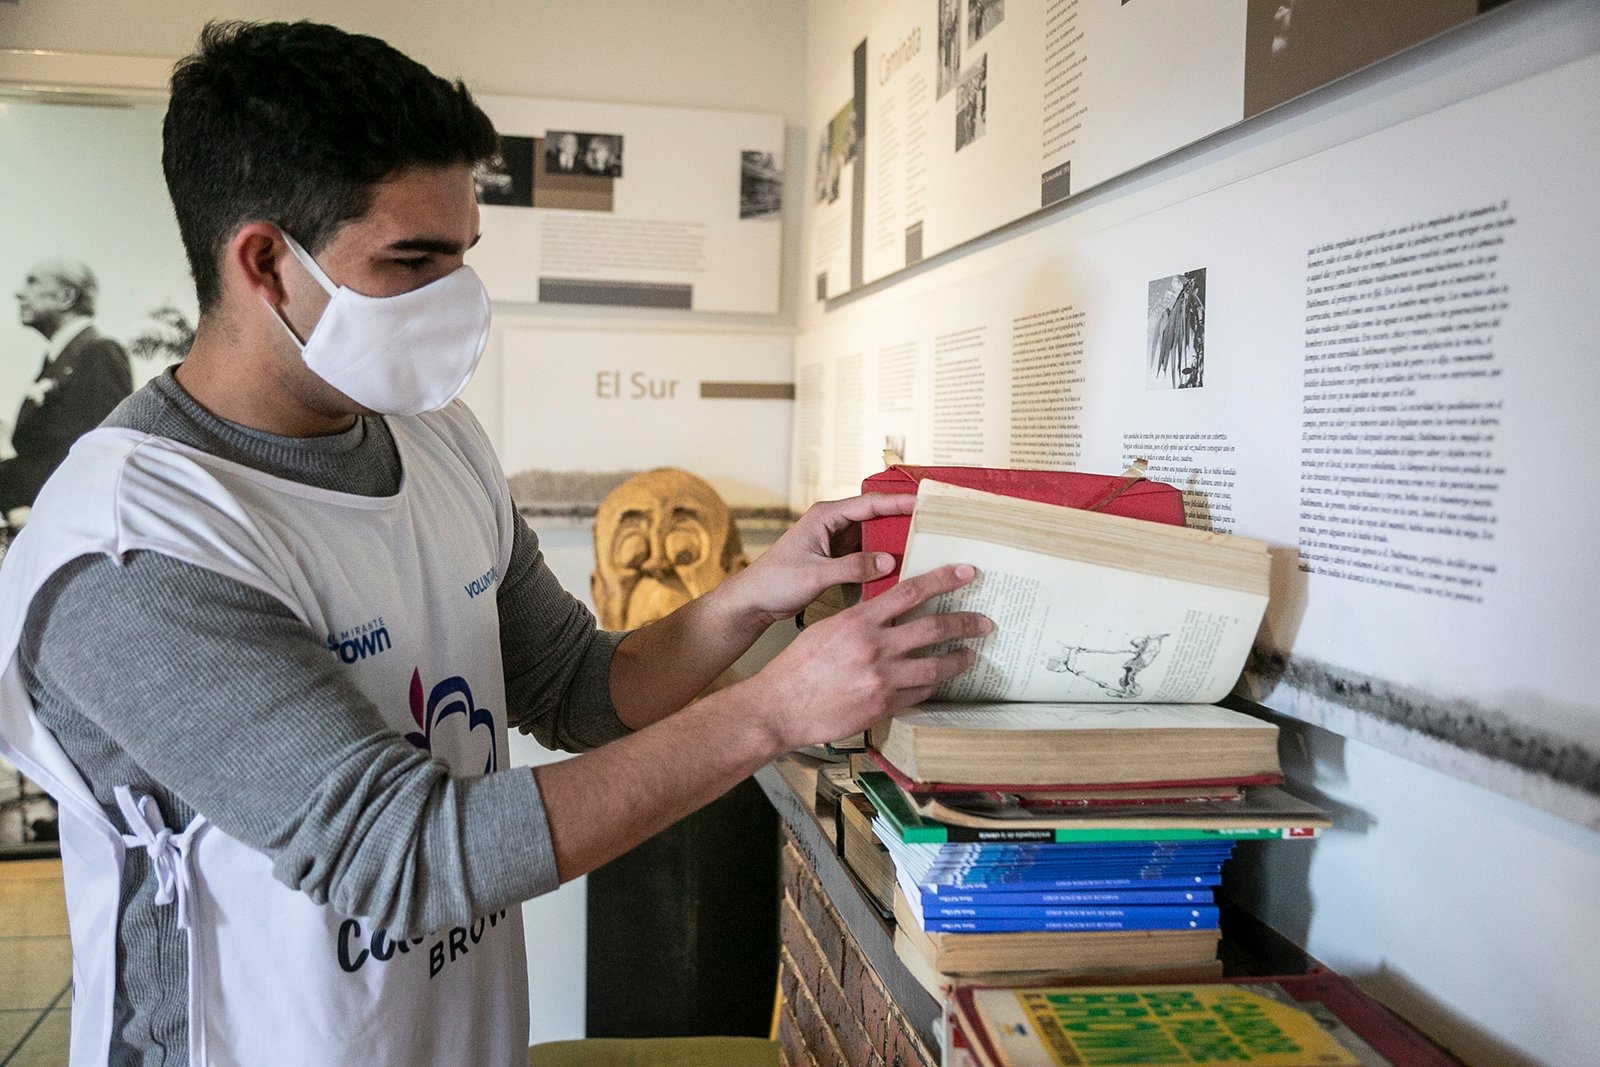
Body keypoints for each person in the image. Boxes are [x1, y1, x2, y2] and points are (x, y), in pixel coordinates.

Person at [0, 20, 988, 1066]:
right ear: (263, 263)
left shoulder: (434, 438)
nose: (455, 298)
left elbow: (578, 686)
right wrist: (774, 707)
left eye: (463, 255)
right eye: (411, 260)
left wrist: (749, 593)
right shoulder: (135, 546)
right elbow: (405, 853)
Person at [1, 259, 134, 521]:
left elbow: (104, 450)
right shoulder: (57, 360)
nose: (19, 294)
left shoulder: (100, 352)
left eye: (33, 282)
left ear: (66, 296)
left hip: (71, 520)